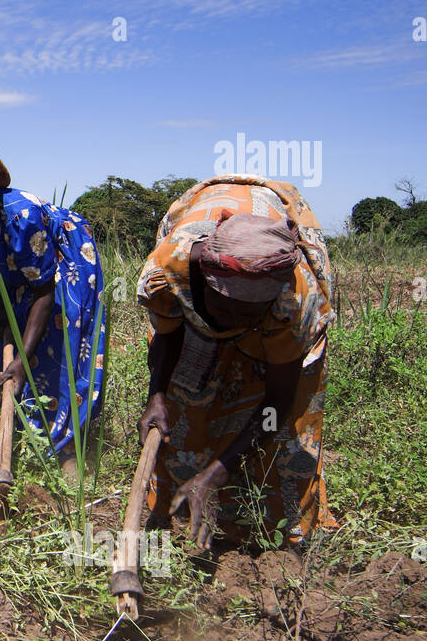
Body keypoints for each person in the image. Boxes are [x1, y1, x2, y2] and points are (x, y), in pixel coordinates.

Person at [136, 175, 338, 550]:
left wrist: (217, 472)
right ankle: (171, 509)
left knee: (285, 433)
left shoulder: (294, 304)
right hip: (196, 292)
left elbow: (276, 405)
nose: (235, 319)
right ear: (205, 281)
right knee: (186, 405)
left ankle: (279, 534)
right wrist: (157, 396)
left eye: (249, 312)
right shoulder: (170, 267)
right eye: (225, 304)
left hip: (279, 330)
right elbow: (167, 334)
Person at [0, 145, 106, 466]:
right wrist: (3, 309)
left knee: (59, 338)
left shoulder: (22, 218)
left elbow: (43, 292)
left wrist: (23, 361)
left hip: (61, 260)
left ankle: (61, 441)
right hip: (9, 271)